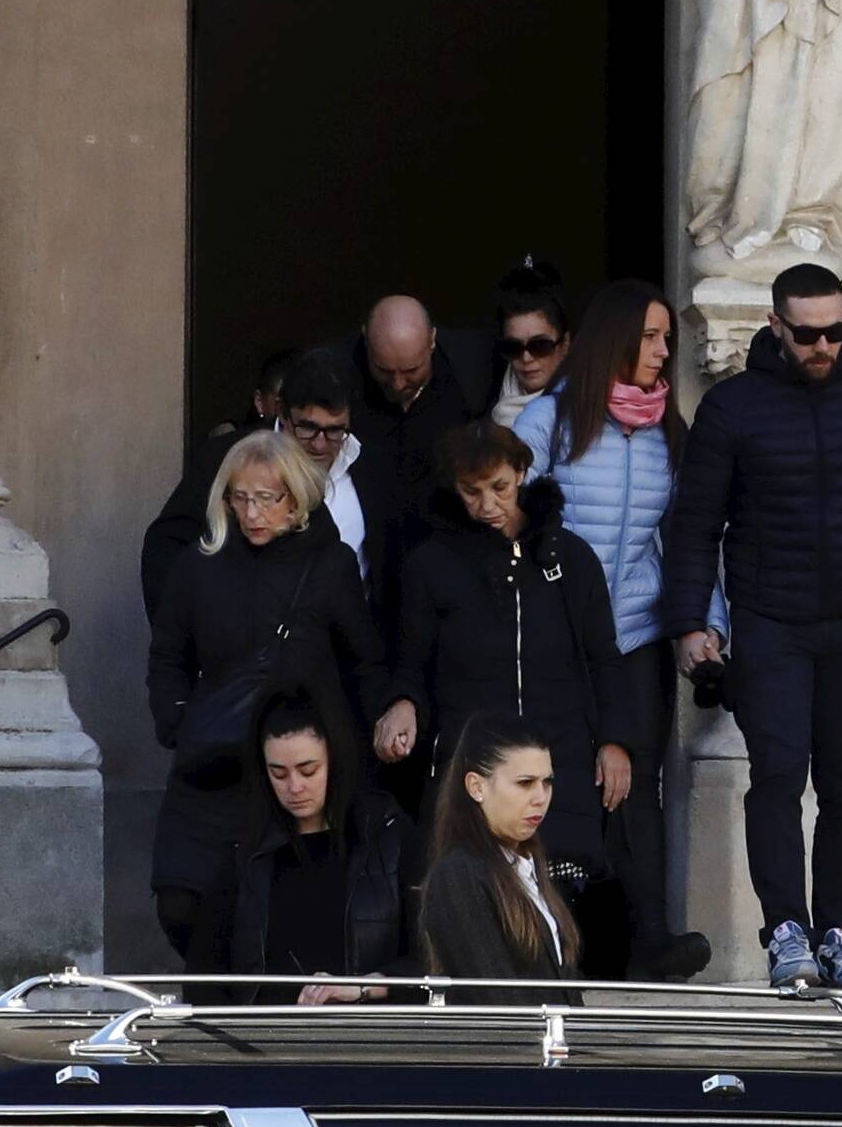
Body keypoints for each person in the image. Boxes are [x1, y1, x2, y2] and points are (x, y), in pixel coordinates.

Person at [659, 261, 842, 995]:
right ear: (776, 327)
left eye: (835, 331)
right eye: (808, 333)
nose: (823, 346)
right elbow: (695, 522)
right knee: (779, 776)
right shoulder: (734, 407)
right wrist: (692, 622)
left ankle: (841, 933)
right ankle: (787, 931)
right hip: (771, 620)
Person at [380, 421, 640, 926]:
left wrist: (615, 740)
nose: (487, 505)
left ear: (522, 472)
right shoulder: (433, 564)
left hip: (561, 752)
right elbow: (412, 661)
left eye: (499, 487)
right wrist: (402, 703)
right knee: (473, 896)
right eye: (471, 492)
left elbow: (604, 657)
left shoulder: (570, 556)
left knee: (565, 901)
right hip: (469, 754)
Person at [144, 428, 381, 960]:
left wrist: (354, 741)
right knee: (180, 902)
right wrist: (175, 718)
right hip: (213, 759)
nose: (252, 513)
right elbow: (167, 655)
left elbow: (362, 660)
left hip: (293, 764)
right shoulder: (200, 563)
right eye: (240, 497)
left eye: (266, 499)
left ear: (294, 498)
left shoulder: (329, 566)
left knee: (276, 905)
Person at [550, 281, 706, 981]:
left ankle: (650, 943)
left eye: (665, 337)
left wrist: (704, 624)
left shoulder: (671, 432)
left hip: (636, 635)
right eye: (650, 336)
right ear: (615, 339)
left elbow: (692, 540)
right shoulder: (551, 422)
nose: (663, 350)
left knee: (637, 786)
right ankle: (562, 946)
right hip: (562, 637)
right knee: (558, 787)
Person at [141, 348, 368, 624]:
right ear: (282, 414)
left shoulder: (371, 465)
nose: (320, 444)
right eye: (307, 428)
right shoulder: (225, 458)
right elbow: (166, 549)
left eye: (334, 431)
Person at [190, 699, 404, 990]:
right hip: (268, 1031)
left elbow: (427, 957)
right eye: (278, 774)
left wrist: (362, 989)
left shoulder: (386, 835)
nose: (294, 787)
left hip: (368, 1029)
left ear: (335, 761)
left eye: (308, 770)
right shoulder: (249, 854)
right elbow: (205, 974)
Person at [333, 292, 499, 618]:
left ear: (433, 342)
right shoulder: (338, 376)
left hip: (449, 585)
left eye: (411, 370)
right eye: (384, 369)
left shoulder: (471, 373)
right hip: (368, 587)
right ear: (365, 339)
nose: (398, 383)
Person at [417, 713, 582, 992]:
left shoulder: (528, 868)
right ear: (476, 786)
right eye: (525, 783)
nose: (541, 797)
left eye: (547, 782)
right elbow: (494, 1000)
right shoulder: (458, 875)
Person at [489, 260, 576, 476]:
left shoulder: (586, 409)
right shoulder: (483, 398)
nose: (526, 357)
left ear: (565, 343)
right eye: (513, 347)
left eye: (540, 346)